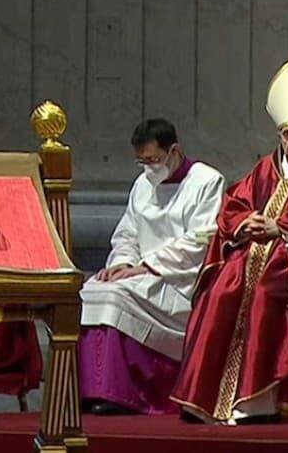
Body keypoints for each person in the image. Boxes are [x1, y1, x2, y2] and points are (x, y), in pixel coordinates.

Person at [171, 59, 288, 424]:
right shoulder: (266, 168)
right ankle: (203, 399)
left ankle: (254, 401)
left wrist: (280, 225)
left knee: (261, 293)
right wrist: (246, 221)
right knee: (221, 289)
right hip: (252, 254)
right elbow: (235, 202)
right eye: (286, 135)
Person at [78, 118, 225, 415]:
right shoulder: (143, 184)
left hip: (180, 281)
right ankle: (93, 390)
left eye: (154, 160)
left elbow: (200, 242)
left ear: (174, 151)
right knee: (94, 289)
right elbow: (128, 233)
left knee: (116, 296)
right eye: (142, 162)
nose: (149, 168)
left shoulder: (207, 182)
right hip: (141, 274)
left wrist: (147, 266)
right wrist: (121, 264)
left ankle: (121, 393)